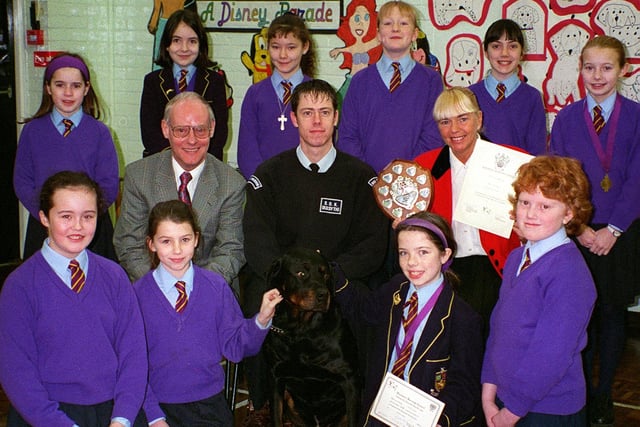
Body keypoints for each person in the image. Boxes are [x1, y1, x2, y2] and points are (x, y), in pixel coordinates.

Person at [242, 79, 388, 423]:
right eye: (308, 113)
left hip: (339, 281)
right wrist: (294, 284)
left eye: (325, 112)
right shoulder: (270, 174)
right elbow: (257, 239)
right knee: (252, 300)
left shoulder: (360, 176)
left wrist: (331, 277)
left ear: (337, 117)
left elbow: (373, 243)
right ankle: (261, 402)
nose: (317, 121)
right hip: (287, 286)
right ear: (294, 119)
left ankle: (365, 407)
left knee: (370, 308)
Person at [0, 171, 147, 427]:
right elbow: (16, 371)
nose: (78, 226)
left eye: (88, 216)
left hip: (113, 414)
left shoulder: (114, 276)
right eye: (66, 216)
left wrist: (122, 419)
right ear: (44, 217)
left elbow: (133, 355)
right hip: (44, 415)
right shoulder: (20, 285)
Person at [549, 35, 640, 426]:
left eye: (606, 68)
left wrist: (613, 229)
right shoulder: (568, 118)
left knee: (612, 313)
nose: (597, 76)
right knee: (580, 317)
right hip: (579, 232)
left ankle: (604, 396)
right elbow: (558, 176)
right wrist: (581, 227)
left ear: (624, 70)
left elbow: (638, 178)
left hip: (622, 230)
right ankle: (583, 391)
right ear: (580, 70)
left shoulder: (637, 117)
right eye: (589, 68)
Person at [134, 200, 282, 427]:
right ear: (151, 244)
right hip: (155, 408)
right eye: (166, 241)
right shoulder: (137, 295)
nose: (176, 250)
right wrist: (154, 416)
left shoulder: (215, 287)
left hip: (208, 407)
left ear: (195, 239)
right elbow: (132, 365)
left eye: (184, 240)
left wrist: (261, 319)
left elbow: (236, 347)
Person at [335, 211, 484, 427]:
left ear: (444, 255)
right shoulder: (396, 288)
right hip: (382, 408)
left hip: (425, 417)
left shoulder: (463, 318)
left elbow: (464, 385)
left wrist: (440, 420)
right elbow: (364, 310)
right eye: (403, 253)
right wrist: (332, 274)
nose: (412, 262)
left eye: (423, 252)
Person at [482, 155, 596, 426]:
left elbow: (550, 354)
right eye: (525, 202)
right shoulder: (517, 257)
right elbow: (498, 328)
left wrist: (511, 413)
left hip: (546, 408)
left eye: (545, 206)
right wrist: (488, 393)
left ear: (568, 213)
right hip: (506, 399)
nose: (531, 214)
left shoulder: (569, 273)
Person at [414, 87, 522, 335]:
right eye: (445, 121)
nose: (455, 130)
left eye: (463, 119)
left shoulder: (514, 161)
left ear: (479, 119)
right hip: (447, 269)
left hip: (499, 268)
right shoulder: (423, 168)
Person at [114, 91, 245, 284]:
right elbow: (129, 245)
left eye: (200, 129)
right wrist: (162, 287)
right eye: (181, 130)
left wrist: (193, 289)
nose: (192, 140)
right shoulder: (138, 176)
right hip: (151, 285)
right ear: (166, 129)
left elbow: (231, 250)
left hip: (210, 288)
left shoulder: (232, 183)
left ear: (212, 129)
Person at [13, 52, 119, 261]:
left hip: (91, 232)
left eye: (76, 86)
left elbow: (108, 185)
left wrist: (84, 218)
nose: (68, 93)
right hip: (45, 226)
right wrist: (50, 217)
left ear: (86, 88)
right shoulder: (32, 131)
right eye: (60, 85)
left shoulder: (100, 133)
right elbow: (22, 181)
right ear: (48, 87)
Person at [337, 0, 443, 174]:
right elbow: (348, 137)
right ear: (378, 34)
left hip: (413, 183)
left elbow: (433, 136)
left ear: (415, 34)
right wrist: (370, 176)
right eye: (388, 23)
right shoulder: (359, 81)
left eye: (403, 23)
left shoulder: (431, 81)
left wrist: (403, 174)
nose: (395, 29)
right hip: (366, 183)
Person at [140, 8, 229, 159]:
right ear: (167, 45)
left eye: (192, 41)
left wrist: (195, 161)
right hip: (162, 164)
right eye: (176, 41)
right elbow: (149, 134)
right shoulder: (152, 82)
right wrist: (178, 162)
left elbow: (219, 134)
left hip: (205, 164)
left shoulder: (215, 81)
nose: (184, 48)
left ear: (201, 45)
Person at [237, 13, 317, 179]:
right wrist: (262, 183)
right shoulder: (254, 94)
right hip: (264, 188)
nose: (282, 55)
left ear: (305, 47)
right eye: (275, 47)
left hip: (306, 184)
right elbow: (247, 149)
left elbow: (322, 145)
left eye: (291, 47)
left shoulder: (316, 94)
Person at [469, 19, 547, 155]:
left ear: (522, 52)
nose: (504, 53)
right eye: (496, 46)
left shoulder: (533, 98)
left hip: (522, 175)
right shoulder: (469, 95)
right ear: (486, 52)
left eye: (512, 46)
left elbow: (538, 154)